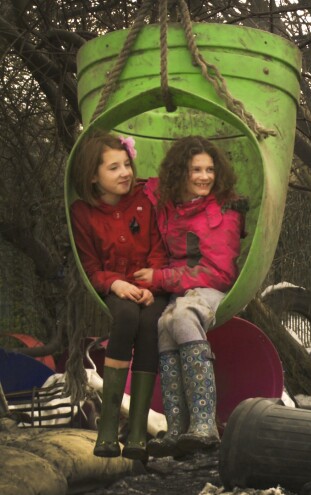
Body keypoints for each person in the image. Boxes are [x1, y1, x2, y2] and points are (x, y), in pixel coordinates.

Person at [133, 136, 246, 456]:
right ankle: (177, 428)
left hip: (209, 288)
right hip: (180, 291)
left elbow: (220, 273)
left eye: (210, 170)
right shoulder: (169, 204)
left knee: (181, 316)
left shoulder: (222, 210)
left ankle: (204, 424)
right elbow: (148, 188)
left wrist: (159, 277)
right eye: (196, 169)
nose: (204, 177)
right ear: (179, 173)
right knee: (164, 324)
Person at [70, 132, 169, 461]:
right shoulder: (83, 213)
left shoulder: (145, 200)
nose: (125, 172)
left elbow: (159, 247)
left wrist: (151, 284)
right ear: (93, 177)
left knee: (151, 322)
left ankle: (138, 430)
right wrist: (115, 284)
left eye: (127, 164)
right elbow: (91, 268)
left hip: (152, 285)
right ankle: (109, 427)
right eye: (114, 168)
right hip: (116, 287)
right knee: (126, 317)